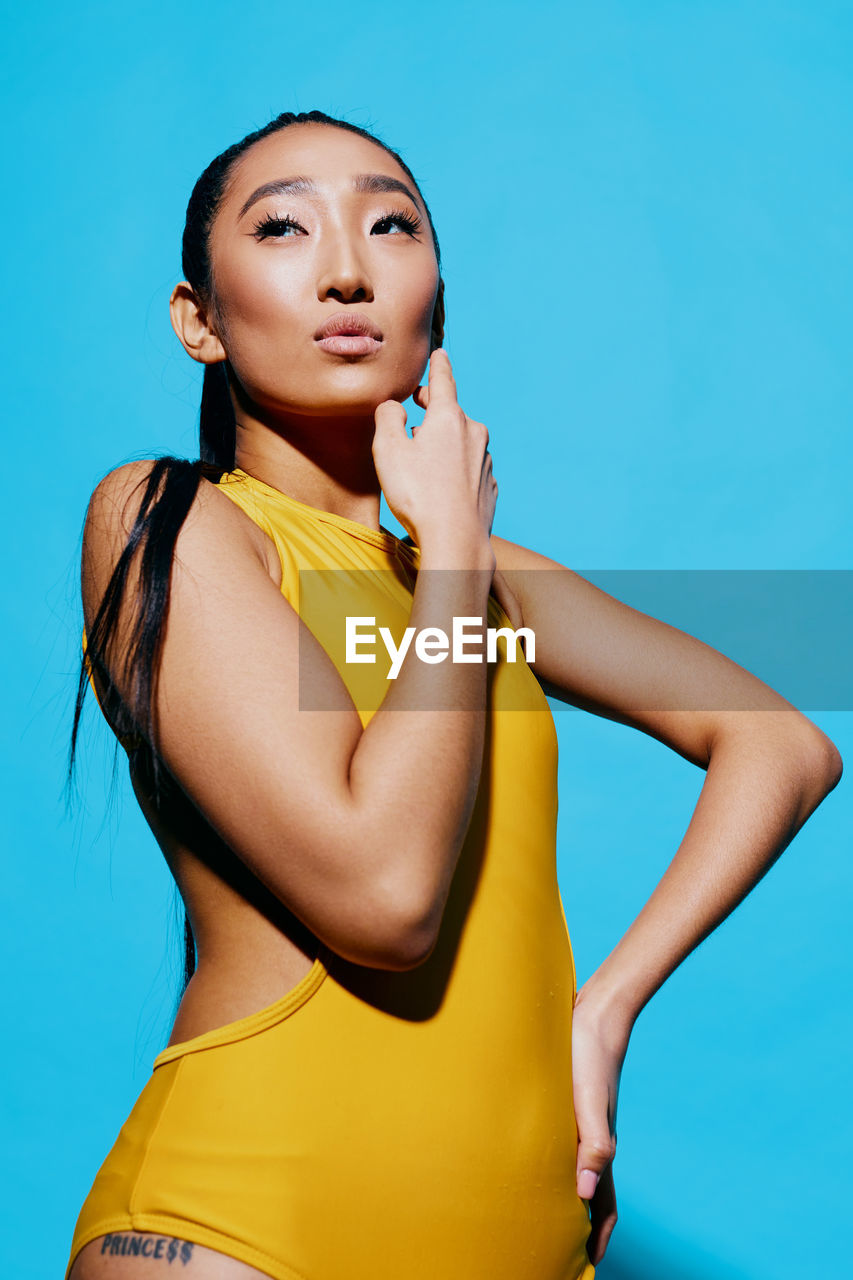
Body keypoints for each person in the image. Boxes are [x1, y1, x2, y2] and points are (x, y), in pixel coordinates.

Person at [64, 110, 842, 1280]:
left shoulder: (473, 569)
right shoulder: (168, 518)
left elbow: (780, 742)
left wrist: (604, 1007)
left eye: (391, 224)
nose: (345, 268)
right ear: (199, 320)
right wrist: (458, 561)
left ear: (434, 293)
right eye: (282, 226)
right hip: (246, 1230)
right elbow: (383, 895)